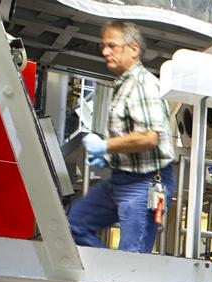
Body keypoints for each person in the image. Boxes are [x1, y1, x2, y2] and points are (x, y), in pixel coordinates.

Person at [67, 21, 176, 254]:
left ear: (133, 49)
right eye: (103, 46)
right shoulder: (123, 85)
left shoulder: (142, 84)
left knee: (132, 257)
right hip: (121, 179)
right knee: (75, 224)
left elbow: (149, 137)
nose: (105, 51)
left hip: (145, 183)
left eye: (112, 46)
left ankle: (119, 280)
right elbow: (134, 137)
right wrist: (110, 159)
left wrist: (105, 146)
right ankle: (110, 276)